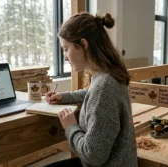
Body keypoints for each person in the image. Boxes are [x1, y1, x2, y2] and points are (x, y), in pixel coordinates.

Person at [44, 12, 138, 167]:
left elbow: (92, 156)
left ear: (83, 45)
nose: (65, 57)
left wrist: (70, 126)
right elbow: (91, 93)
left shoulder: (104, 87)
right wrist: (64, 97)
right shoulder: (106, 76)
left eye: (66, 49)